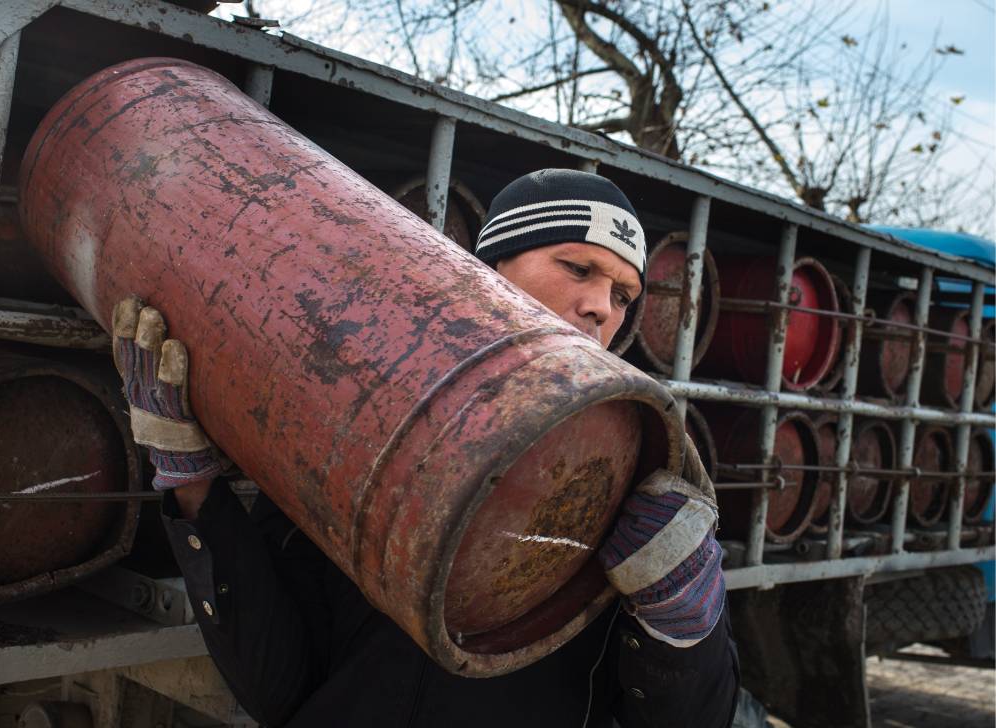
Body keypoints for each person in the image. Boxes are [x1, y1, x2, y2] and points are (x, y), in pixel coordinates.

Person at [113, 169, 740, 727]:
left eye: (624, 295)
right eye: (578, 268)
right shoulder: (360, 424)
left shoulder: (637, 473)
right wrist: (192, 484)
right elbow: (279, 689)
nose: (602, 308)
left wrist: (681, 630)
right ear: (489, 271)